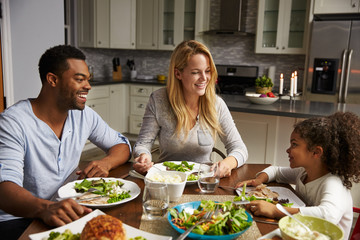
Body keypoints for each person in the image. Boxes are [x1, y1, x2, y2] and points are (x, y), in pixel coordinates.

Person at [0, 45, 131, 239]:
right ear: (53, 79)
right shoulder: (13, 122)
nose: (88, 86)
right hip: (18, 219)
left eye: (88, 79)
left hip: (67, 209)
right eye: (80, 79)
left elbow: (122, 146)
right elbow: (4, 190)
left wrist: (106, 163)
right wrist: (45, 208)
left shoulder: (84, 115)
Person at [235, 112, 360, 239]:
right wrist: (258, 180)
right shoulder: (304, 172)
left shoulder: (333, 183)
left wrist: (275, 211)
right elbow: (276, 171)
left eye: (294, 144)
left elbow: (328, 215)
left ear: (316, 152)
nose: (288, 150)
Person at [133, 40, 248, 177]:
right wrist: (143, 155)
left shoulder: (216, 104)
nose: (204, 78)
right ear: (178, 74)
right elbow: (143, 143)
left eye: (207, 71)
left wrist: (228, 164)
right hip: (166, 180)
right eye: (195, 72)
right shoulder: (158, 100)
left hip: (203, 181)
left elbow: (239, 148)